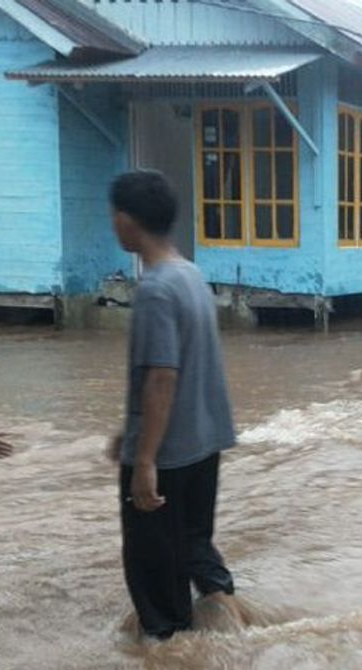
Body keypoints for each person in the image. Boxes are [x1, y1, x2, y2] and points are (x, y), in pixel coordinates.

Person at [108, 171, 238, 639]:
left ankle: (175, 655)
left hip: (167, 457)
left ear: (125, 220)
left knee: (154, 581)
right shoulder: (191, 274)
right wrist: (133, 430)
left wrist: (143, 459)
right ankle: (230, 629)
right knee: (194, 547)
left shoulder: (156, 289)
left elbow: (163, 376)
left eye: (114, 215)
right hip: (204, 445)